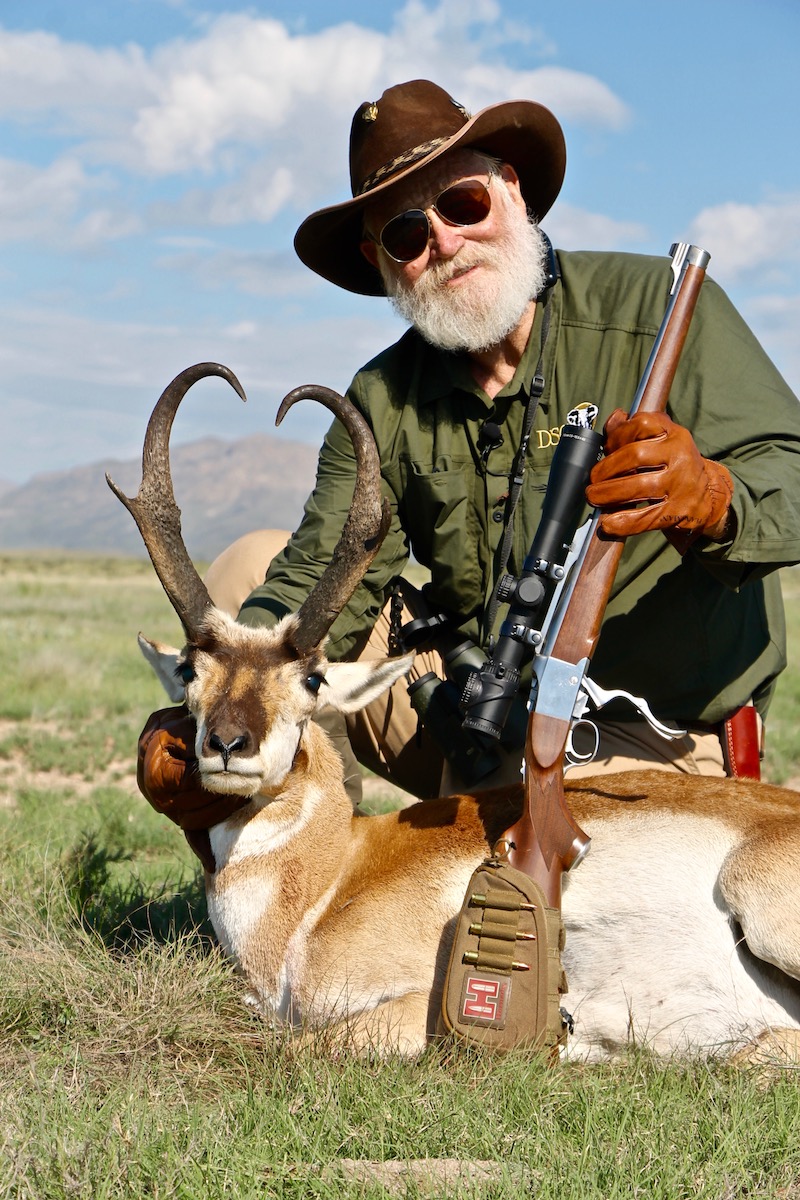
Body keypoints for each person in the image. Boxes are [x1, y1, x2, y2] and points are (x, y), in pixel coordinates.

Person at [139, 79, 800, 837]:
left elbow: (792, 473)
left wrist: (715, 499)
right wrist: (223, 700)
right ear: (380, 260)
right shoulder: (383, 397)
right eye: (406, 234)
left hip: (643, 735)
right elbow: (316, 574)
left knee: (537, 914)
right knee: (250, 574)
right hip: (469, 709)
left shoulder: (656, 313)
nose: (445, 243)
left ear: (511, 192)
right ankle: (299, 860)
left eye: (462, 204)